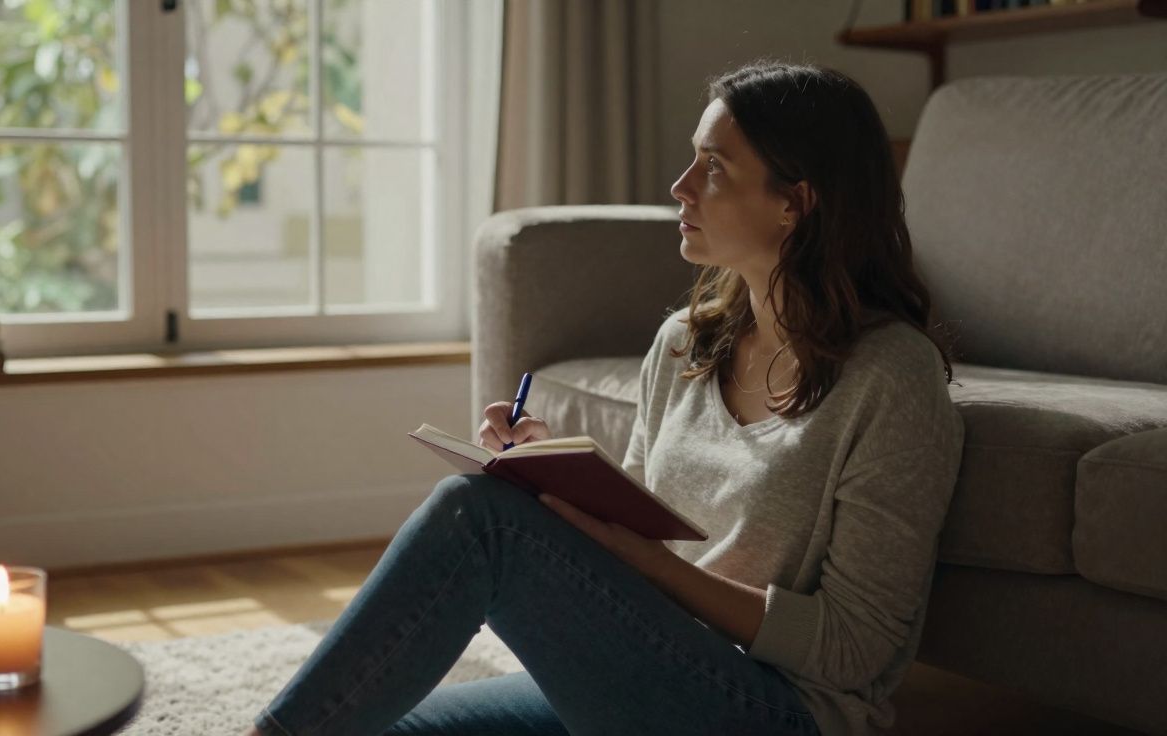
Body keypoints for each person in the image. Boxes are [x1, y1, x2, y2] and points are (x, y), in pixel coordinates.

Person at [247, 59, 965, 736]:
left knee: (479, 518)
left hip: (774, 709)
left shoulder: (893, 379)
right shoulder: (687, 342)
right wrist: (555, 480)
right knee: (369, 722)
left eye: (714, 167)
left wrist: (653, 566)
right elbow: (647, 535)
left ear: (795, 204)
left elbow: (855, 650)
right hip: (649, 664)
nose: (681, 185)